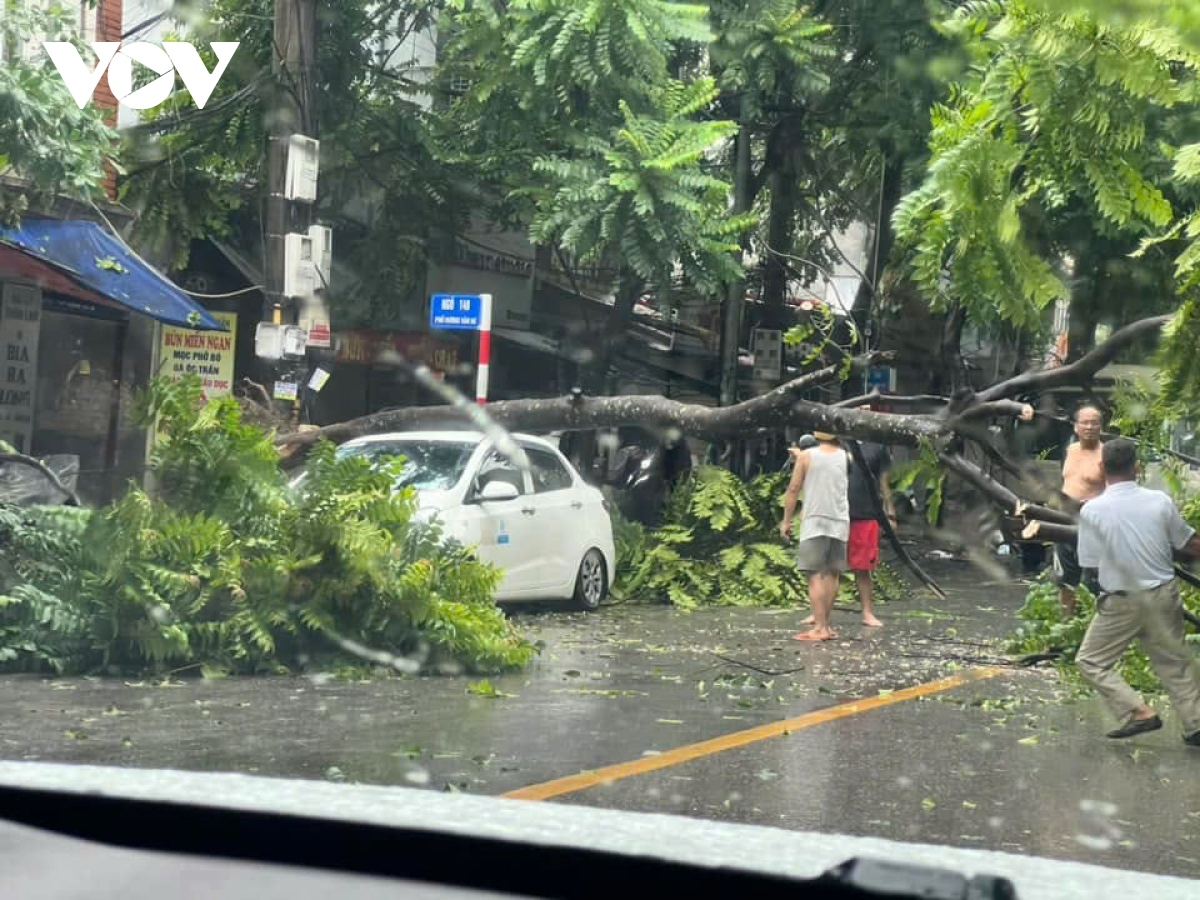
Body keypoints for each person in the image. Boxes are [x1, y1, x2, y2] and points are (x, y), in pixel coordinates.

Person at [1075, 438, 1200, 744]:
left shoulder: (1092, 510)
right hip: (1163, 593)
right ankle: (1196, 725)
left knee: (1091, 660)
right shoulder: (1159, 501)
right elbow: (1186, 543)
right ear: (1137, 467)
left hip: (1122, 600)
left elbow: (1089, 563)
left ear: (1102, 468)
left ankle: (1138, 711)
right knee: (1173, 663)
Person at [799, 438, 895, 628]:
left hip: (865, 511)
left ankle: (867, 613)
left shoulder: (877, 446)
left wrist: (890, 512)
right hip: (833, 512)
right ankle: (820, 614)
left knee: (862, 568)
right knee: (826, 568)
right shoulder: (834, 444)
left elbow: (884, 482)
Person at [780, 431, 850, 642]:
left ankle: (819, 628)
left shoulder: (807, 456)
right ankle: (826, 626)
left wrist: (786, 520)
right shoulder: (846, 456)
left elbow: (793, 489)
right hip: (840, 520)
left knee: (815, 575)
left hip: (815, 519)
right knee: (832, 574)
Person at [1057, 404, 1106, 618]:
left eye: (1094, 422)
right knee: (1065, 578)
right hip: (1063, 519)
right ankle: (1067, 624)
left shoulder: (1106, 454)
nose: (1089, 426)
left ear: (1101, 427)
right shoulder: (1070, 450)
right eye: (1085, 422)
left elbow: (1114, 490)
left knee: (1093, 579)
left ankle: (1093, 623)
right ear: (1076, 427)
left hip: (1093, 521)